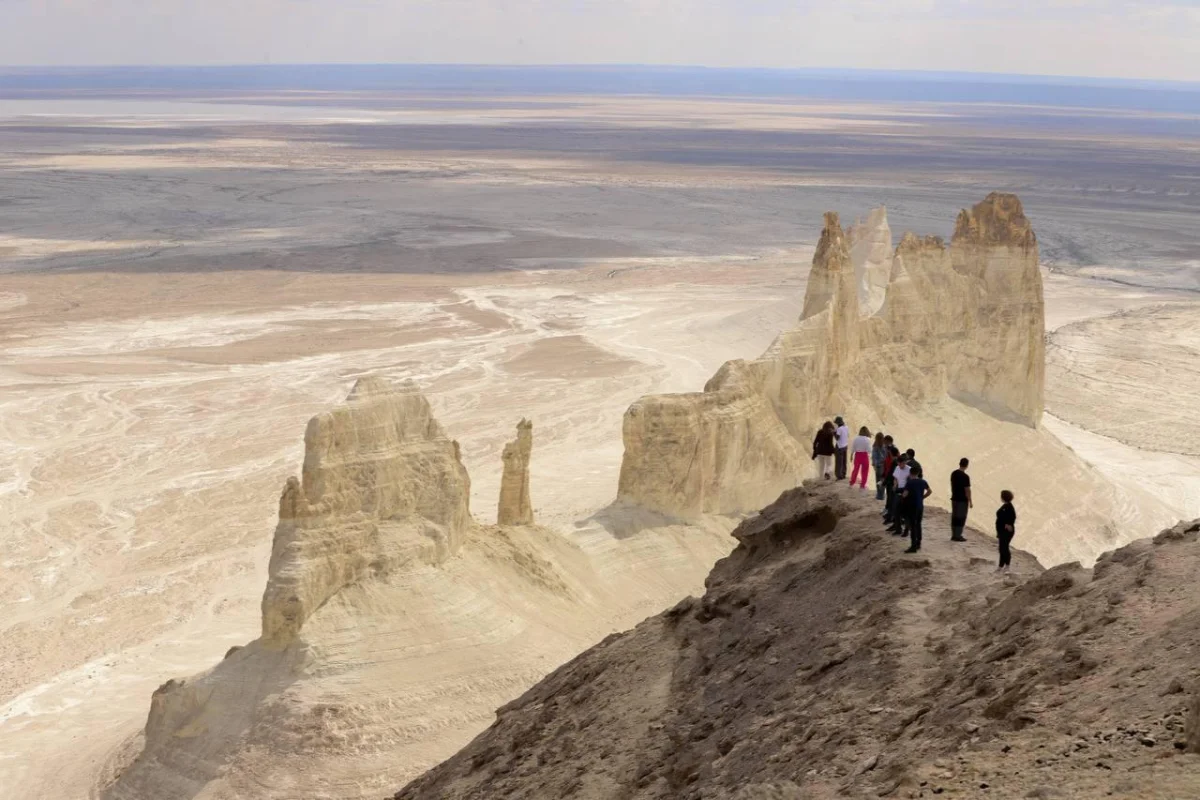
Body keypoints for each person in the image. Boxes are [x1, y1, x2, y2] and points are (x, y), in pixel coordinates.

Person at [901, 467, 932, 553]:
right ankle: (918, 543)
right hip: (920, 506)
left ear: (910, 473)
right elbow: (929, 491)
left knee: (912, 525)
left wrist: (902, 496)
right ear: (918, 473)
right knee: (918, 524)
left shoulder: (909, 483)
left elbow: (905, 494)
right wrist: (922, 497)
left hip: (911, 506)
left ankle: (913, 546)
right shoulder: (923, 481)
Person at [950, 458, 973, 542]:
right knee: (961, 517)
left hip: (954, 498)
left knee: (954, 517)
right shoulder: (965, 477)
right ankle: (958, 535)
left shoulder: (954, 473)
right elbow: (967, 490)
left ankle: (953, 534)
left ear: (959, 463)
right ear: (967, 465)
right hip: (962, 500)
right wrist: (970, 501)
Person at [889, 454, 912, 536]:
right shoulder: (897, 468)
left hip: (906, 493)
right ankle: (898, 529)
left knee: (906, 513)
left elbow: (911, 482)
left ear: (905, 462)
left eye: (901, 464)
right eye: (898, 463)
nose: (899, 465)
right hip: (898, 492)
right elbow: (895, 478)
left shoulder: (909, 469)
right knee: (896, 511)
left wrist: (906, 492)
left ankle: (906, 530)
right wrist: (895, 485)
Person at [996, 490, 1017, 572]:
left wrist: (1009, 524)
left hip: (1006, 531)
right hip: (1002, 531)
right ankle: (1001, 566)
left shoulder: (1009, 507)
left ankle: (1006, 566)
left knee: (1004, 548)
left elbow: (1013, 517)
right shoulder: (1006, 505)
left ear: (1003, 497)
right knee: (1002, 548)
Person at [882, 446, 900, 523]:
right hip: (894, 484)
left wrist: (884, 482)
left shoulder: (894, 462)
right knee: (891, 500)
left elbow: (891, 474)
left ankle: (890, 517)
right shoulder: (897, 461)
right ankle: (890, 515)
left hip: (893, 484)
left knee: (891, 500)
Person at [871, 433, 888, 500]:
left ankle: (879, 495)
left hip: (878, 466)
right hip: (884, 466)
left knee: (878, 481)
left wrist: (874, 464)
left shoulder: (875, 446)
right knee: (883, 480)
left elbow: (874, 457)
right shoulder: (885, 446)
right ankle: (882, 494)